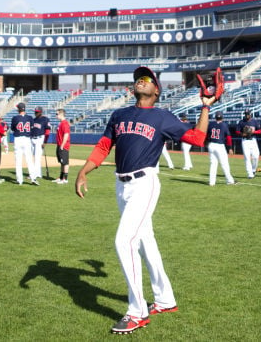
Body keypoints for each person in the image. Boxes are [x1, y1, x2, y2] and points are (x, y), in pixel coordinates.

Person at [75, 66, 220, 334]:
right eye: (138, 79)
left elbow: (197, 138)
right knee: (144, 242)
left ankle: (137, 311)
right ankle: (165, 299)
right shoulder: (119, 114)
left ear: (157, 90)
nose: (141, 82)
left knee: (124, 240)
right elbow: (104, 146)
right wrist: (84, 170)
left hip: (144, 182)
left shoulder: (163, 117)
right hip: (121, 185)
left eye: (147, 80)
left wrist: (205, 107)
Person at [207, 112, 236, 186]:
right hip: (219, 145)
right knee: (224, 164)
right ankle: (230, 180)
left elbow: (207, 135)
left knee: (213, 164)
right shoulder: (224, 125)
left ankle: (211, 182)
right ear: (222, 118)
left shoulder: (211, 124)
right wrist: (229, 148)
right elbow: (228, 137)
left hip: (211, 144)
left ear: (215, 117)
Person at [11, 102, 36, 185]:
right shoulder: (30, 118)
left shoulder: (15, 118)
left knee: (18, 161)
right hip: (27, 139)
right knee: (29, 160)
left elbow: (13, 128)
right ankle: (33, 178)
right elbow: (32, 128)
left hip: (18, 139)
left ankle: (19, 180)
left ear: (18, 109)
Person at [235, 109, 261, 179]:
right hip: (245, 141)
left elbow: (259, 131)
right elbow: (237, 131)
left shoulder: (254, 121)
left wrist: (253, 132)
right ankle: (250, 174)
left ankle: (253, 170)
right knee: (247, 157)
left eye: (248, 114)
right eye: (245, 114)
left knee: (256, 156)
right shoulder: (241, 122)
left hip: (253, 140)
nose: (246, 115)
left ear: (250, 114)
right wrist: (241, 134)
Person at [31, 107, 51, 181]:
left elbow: (47, 131)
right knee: (34, 157)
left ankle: (34, 174)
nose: (35, 113)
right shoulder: (33, 120)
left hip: (40, 139)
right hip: (32, 139)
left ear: (41, 112)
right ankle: (38, 173)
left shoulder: (45, 119)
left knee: (37, 157)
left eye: (37, 112)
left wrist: (45, 142)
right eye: (35, 112)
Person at [54, 108, 70, 184]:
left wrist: (62, 145)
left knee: (65, 162)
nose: (56, 116)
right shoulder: (61, 123)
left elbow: (66, 135)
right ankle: (61, 178)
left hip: (63, 146)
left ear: (61, 114)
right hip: (59, 145)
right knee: (61, 162)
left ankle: (65, 179)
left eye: (57, 114)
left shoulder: (65, 123)